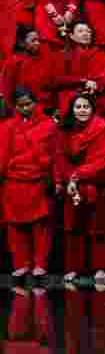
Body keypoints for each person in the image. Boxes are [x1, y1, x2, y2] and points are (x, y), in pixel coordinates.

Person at [56, 93, 105, 282]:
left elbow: (102, 159)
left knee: (99, 227)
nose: (82, 110)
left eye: (86, 106)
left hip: (96, 183)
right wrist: (69, 179)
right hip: (73, 185)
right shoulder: (65, 130)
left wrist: (76, 176)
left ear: (93, 109)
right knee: (73, 228)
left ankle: (101, 268)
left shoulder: (102, 127)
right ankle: (74, 268)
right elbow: (60, 157)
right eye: (78, 107)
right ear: (72, 110)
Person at [0, 89, 56, 277]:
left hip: (38, 179)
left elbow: (55, 154)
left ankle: (40, 264)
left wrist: (54, 178)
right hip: (13, 181)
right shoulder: (6, 127)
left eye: (28, 104)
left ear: (36, 103)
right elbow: (2, 155)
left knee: (40, 225)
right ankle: (21, 264)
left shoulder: (49, 125)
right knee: (15, 226)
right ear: (15, 106)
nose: (25, 108)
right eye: (20, 105)